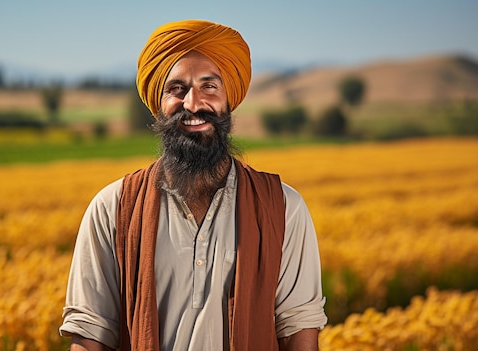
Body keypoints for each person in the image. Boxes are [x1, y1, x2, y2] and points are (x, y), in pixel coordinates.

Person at [59, 19, 328, 351]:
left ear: (230, 100)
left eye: (209, 86)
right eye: (177, 89)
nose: (193, 104)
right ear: (159, 104)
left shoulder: (284, 209)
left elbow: (299, 331)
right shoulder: (112, 208)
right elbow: (90, 337)